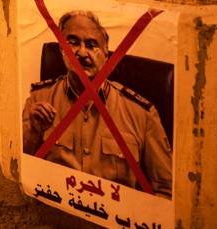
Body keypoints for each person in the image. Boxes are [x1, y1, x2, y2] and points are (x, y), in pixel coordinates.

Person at [22, 10, 172, 198]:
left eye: (92, 45)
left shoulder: (142, 114)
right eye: (73, 43)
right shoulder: (39, 99)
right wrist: (34, 133)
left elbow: (166, 191)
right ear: (62, 50)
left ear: (106, 56)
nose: (82, 52)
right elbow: (21, 169)